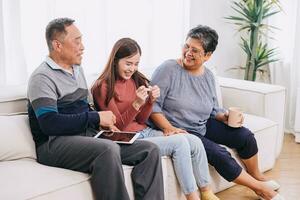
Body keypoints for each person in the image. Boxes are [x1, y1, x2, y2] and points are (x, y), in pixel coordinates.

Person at [27, 18, 164, 200]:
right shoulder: (41, 77)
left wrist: (103, 125)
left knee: (150, 150)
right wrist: (96, 118)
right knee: (108, 150)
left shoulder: (77, 70)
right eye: (77, 41)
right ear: (57, 45)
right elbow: (49, 124)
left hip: (85, 136)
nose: (82, 46)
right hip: (53, 144)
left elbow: (82, 110)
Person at [148, 25, 285, 200]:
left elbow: (212, 109)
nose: (188, 52)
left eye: (195, 50)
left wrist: (225, 117)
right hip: (181, 130)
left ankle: (257, 175)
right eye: (187, 46)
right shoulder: (168, 69)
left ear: (207, 56)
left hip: (202, 124)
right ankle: (260, 189)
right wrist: (168, 128)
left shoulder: (208, 76)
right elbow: (152, 106)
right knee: (218, 153)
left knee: (245, 136)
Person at [91, 37, 219, 200]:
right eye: (128, 63)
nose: (132, 69)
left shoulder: (136, 80)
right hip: (128, 140)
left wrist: (150, 102)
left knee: (193, 140)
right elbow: (119, 127)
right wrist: (137, 104)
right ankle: (192, 197)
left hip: (145, 131)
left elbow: (142, 120)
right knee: (179, 143)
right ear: (115, 60)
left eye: (136, 64)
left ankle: (207, 192)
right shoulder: (102, 86)